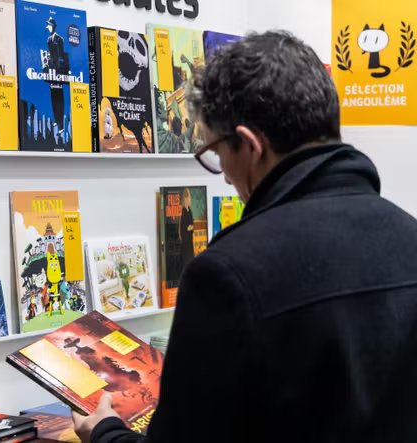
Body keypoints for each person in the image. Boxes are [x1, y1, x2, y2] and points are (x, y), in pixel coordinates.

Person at [73, 31, 417, 443]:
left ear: (251, 146)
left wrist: (106, 432)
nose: (226, 177)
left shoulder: (228, 273)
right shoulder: (408, 235)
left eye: (218, 154)